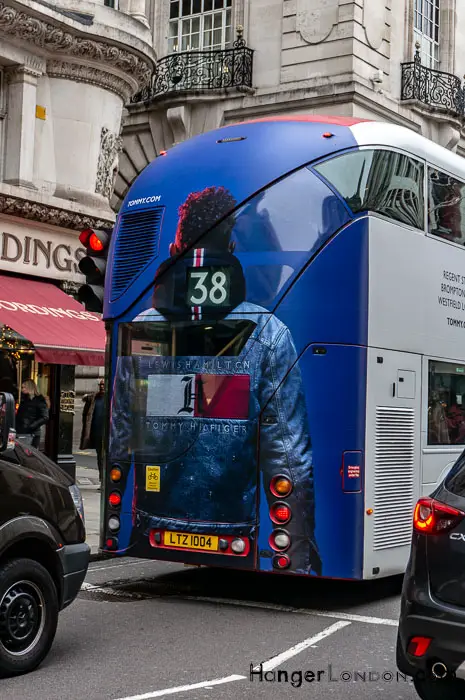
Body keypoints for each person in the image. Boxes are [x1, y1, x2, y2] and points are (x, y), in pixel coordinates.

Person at [110, 185, 322, 575]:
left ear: (176, 250)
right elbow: (288, 458)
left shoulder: (142, 330)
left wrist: (112, 525)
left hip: (152, 526)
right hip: (232, 532)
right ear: (233, 248)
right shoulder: (269, 334)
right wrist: (297, 559)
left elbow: (123, 434)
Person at [80, 380, 105, 481]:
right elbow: (86, 415)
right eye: (101, 385)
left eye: (104, 385)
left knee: (105, 457)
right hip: (96, 433)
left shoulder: (112, 399)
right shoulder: (93, 399)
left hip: (108, 434)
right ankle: (102, 480)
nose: (102, 387)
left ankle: (105, 480)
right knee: (100, 457)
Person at [16, 379, 49, 449]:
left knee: (30, 455)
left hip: (32, 433)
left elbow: (45, 417)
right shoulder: (24, 399)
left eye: (24, 387)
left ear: (30, 387)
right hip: (21, 432)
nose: (22, 389)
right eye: (22, 387)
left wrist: (31, 426)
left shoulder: (39, 400)